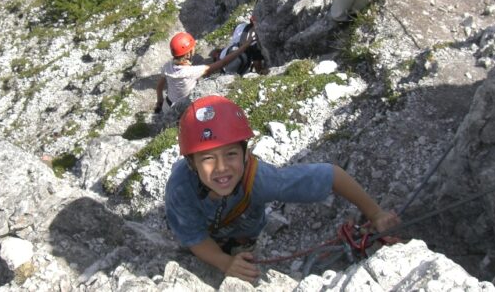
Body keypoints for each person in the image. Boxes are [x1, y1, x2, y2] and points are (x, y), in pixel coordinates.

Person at [164, 96, 400, 283]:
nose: (222, 167)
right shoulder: (180, 190)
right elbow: (194, 237)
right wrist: (224, 262)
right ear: (191, 164)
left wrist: (375, 213)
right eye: (207, 159)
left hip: (244, 229)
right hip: (206, 228)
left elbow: (331, 175)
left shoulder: (260, 180)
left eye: (231, 154)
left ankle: (242, 244)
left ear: (246, 154)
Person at [154, 33, 252, 116]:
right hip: (181, 110)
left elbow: (159, 87)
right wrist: (245, 46)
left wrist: (159, 103)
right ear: (188, 54)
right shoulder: (191, 72)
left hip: (166, 106)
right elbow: (222, 63)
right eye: (193, 48)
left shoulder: (167, 66)